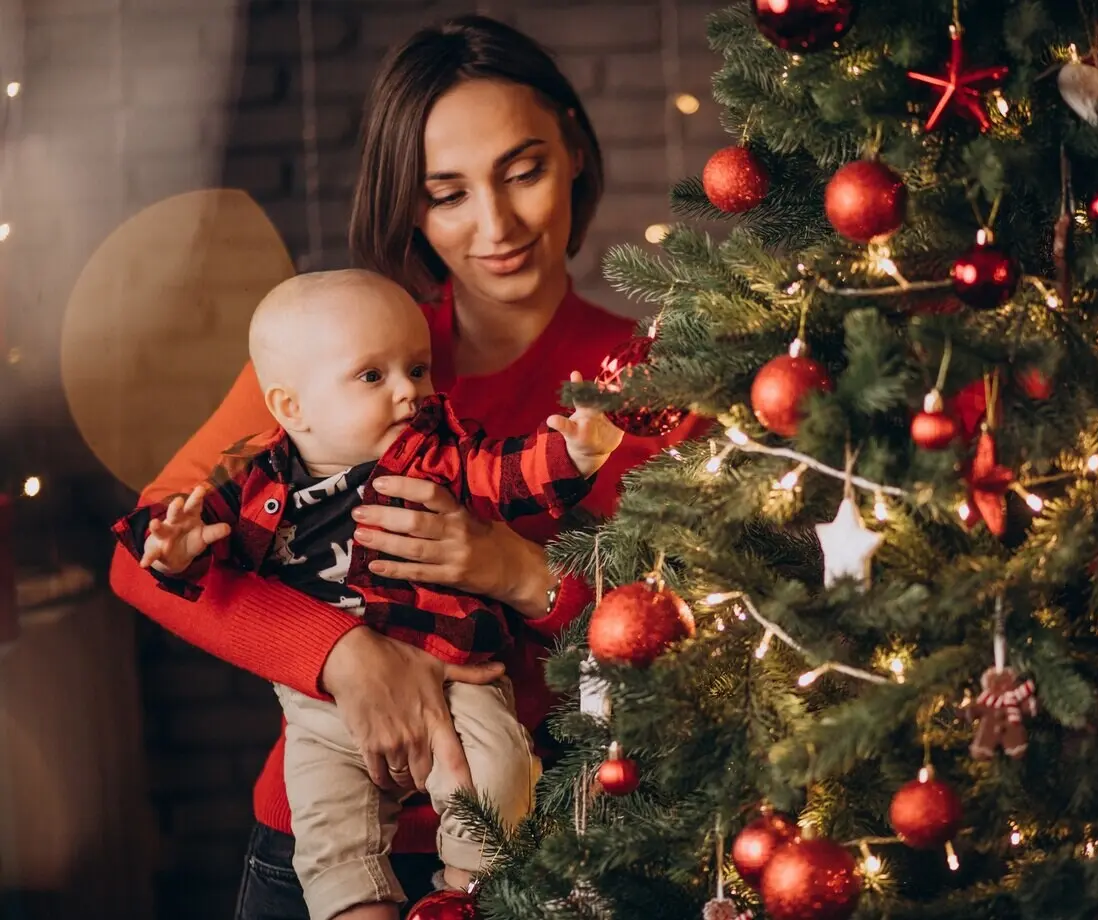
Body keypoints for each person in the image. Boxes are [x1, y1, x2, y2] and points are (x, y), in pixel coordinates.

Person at [108, 14, 700, 919]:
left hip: (561, 856)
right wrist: (342, 656)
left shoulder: (650, 388)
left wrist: (521, 574)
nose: (494, 225)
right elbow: (140, 562)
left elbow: (705, 648)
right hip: (319, 850)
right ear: (409, 204)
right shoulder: (337, 352)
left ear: (574, 150)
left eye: (523, 171)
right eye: (447, 192)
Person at [112, 269, 625, 920]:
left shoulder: (432, 452)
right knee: (328, 821)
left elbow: (506, 471)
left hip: (458, 668)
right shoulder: (257, 480)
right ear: (292, 407)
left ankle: (468, 888)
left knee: (497, 771)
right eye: (374, 378)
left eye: (417, 369)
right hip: (321, 710)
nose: (410, 391)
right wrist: (178, 551)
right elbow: (175, 554)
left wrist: (572, 455)